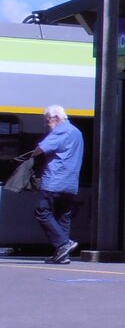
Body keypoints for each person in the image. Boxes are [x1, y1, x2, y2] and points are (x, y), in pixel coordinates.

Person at [31, 105, 84, 264]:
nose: (47, 124)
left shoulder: (61, 130)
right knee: (62, 216)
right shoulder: (76, 132)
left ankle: (63, 244)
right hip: (70, 183)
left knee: (42, 211)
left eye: (47, 121)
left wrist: (32, 154)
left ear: (56, 118)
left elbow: (41, 149)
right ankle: (62, 255)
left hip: (55, 180)